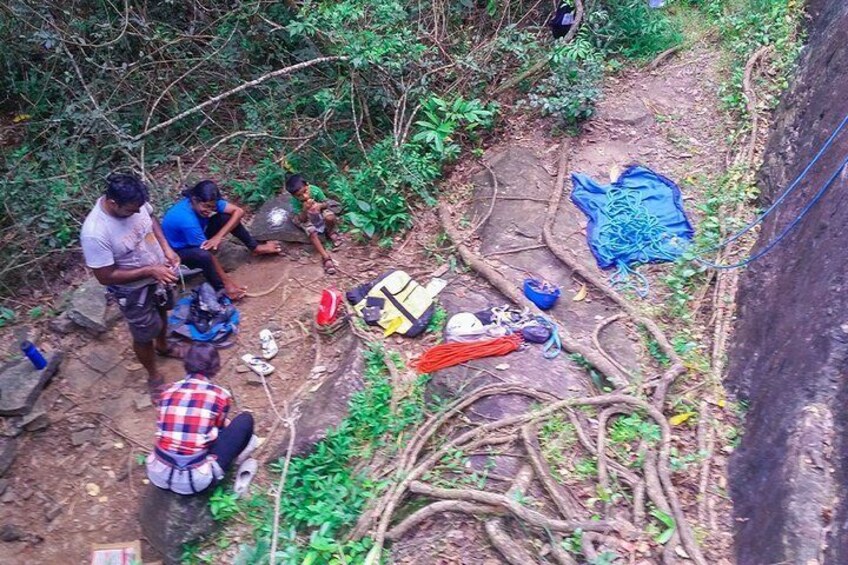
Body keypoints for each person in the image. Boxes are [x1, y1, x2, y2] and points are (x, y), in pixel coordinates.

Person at [80, 173, 183, 400]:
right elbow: (105, 276)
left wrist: (166, 249)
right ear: (113, 203)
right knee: (143, 332)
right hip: (132, 289)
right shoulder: (95, 233)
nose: (137, 212)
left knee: (163, 310)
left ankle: (164, 346)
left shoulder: (135, 201)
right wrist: (149, 271)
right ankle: (153, 375)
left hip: (159, 271)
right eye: (131, 210)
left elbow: (151, 219)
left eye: (139, 207)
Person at [146, 344, 258, 495]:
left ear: (186, 364)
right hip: (194, 482)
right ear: (215, 368)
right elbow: (218, 428)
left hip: (157, 472)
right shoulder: (220, 395)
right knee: (245, 420)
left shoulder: (168, 390)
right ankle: (233, 463)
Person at [161, 180, 281, 300]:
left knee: (226, 218)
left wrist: (218, 237)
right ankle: (222, 289)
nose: (209, 210)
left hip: (198, 233)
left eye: (212, 207)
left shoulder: (207, 203)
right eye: (206, 206)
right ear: (194, 200)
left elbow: (239, 212)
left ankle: (255, 247)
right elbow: (208, 251)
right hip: (179, 252)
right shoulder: (187, 220)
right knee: (204, 256)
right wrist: (227, 282)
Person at [285, 174, 343, 275]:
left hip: (318, 210)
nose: (304, 196)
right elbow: (302, 219)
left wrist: (320, 206)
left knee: (330, 217)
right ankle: (326, 257)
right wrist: (305, 209)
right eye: (299, 195)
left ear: (308, 185)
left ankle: (330, 232)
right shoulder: (295, 202)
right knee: (311, 232)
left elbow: (326, 203)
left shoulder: (315, 190)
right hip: (305, 216)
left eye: (305, 191)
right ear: (294, 196)